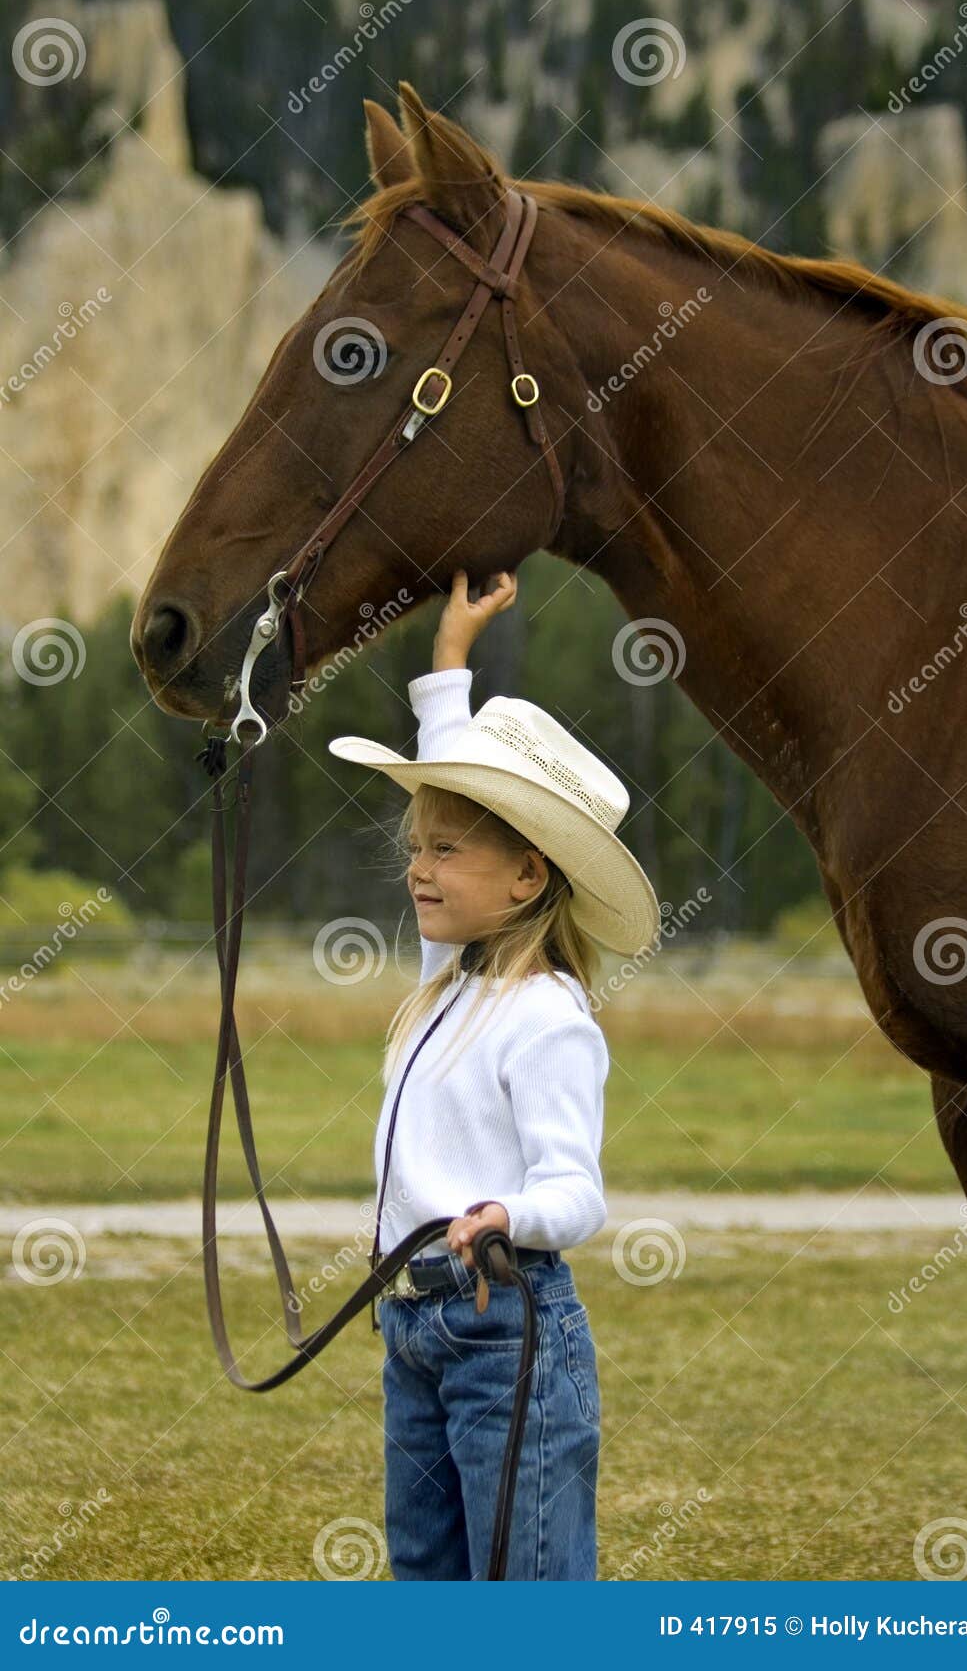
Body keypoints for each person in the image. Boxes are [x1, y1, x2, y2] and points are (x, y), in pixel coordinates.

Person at [327, 567, 660, 1581]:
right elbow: (448, 770)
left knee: (525, 1588)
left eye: (449, 851)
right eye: (416, 846)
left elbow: (575, 1192)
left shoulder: (546, 1018)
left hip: (504, 1330)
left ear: (526, 877)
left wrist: (504, 1214)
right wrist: (447, 663)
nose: (420, 868)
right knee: (425, 1572)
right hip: (415, 1325)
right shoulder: (449, 978)